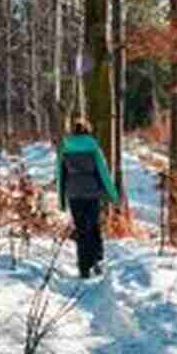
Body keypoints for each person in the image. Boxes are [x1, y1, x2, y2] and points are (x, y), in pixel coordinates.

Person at [56, 114, 120, 278]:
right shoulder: (93, 146)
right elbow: (103, 172)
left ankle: (84, 267)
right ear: (87, 131)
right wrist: (113, 195)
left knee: (81, 229)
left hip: (74, 195)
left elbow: (60, 175)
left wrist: (61, 200)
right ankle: (97, 259)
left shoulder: (65, 147)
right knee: (93, 226)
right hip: (92, 193)